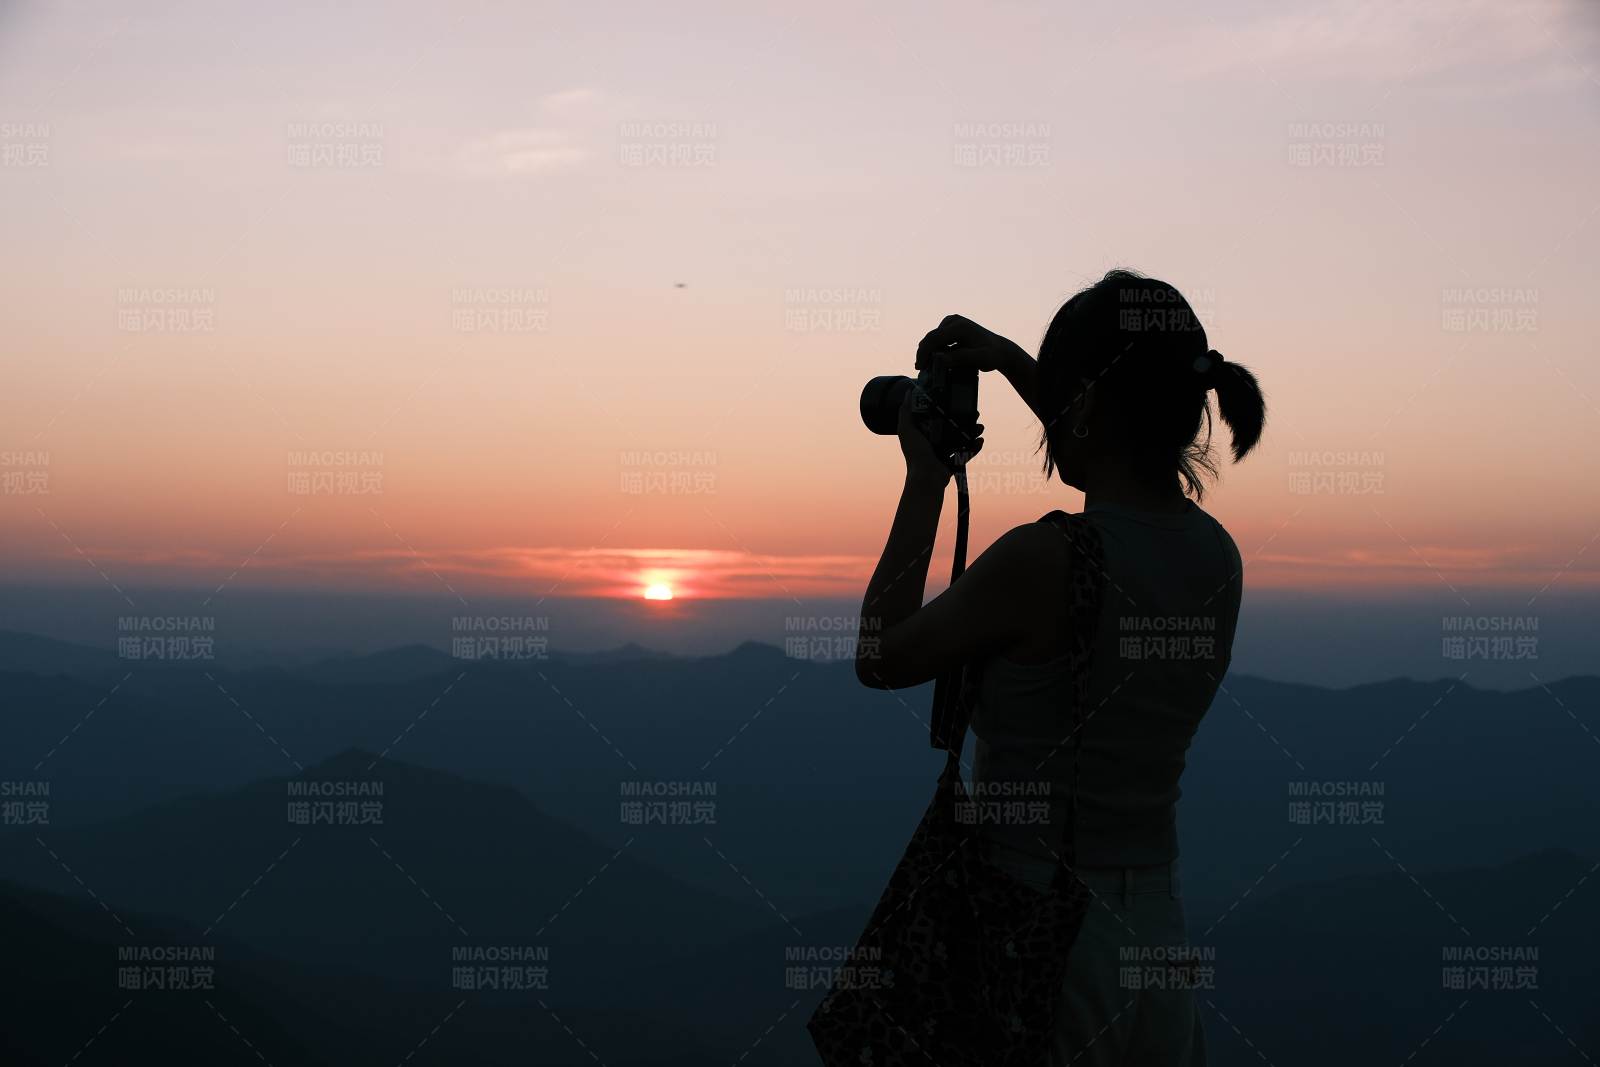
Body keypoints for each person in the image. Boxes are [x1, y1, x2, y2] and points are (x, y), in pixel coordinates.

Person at [854, 269, 1266, 1065]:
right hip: (1155, 938)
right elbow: (1119, 454)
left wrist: (926, 475)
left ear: (1086, 409)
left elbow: (880, 654)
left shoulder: (1043, 560)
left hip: (1042, 938)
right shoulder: (1216, 558)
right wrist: (1012, 362)